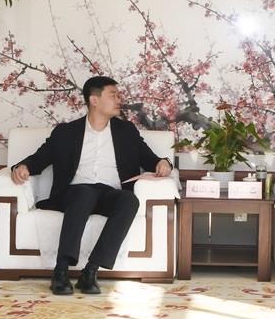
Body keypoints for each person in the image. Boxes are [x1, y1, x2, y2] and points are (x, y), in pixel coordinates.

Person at [10, 76, 174, 295]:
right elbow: (40, 158)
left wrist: (164, 163)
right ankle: (60, 271)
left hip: (109, 194)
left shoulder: (126, 131)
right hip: (74, 194)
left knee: (129, 200)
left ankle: (90, 271)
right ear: (94, 100)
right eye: (113, 95)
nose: (119, 100)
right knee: (84, 193)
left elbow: (149, 159)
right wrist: (22, 167)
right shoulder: (66, 132)